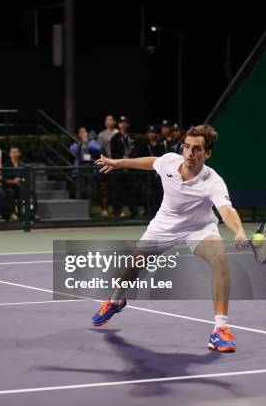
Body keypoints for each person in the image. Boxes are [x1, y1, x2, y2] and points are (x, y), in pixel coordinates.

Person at [93, 124, 245, 352]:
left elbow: (226, 210)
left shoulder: (213, 181)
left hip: (199, 227)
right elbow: (151, 162)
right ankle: (115, 301)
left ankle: (220, 330)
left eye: (197, 149)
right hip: (165, 224)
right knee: (132, 266)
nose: (190, 153)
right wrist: (118, 163)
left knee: (219, 258)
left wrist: (239, 230)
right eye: (186, 147)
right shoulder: (169, 162)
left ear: (207, 153)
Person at [109, 116, 138, 218]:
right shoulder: (114, 138)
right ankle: (117, 213)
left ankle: (134, 213)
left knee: (132, 191)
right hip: (119, 169)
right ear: (118, 124)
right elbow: (114, 154)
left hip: (131, 169)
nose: (123, 124)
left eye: (125, 122)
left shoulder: (133, 137)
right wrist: (122, 162)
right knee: (117, 191)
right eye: (121, 122)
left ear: (128, 124)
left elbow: (136, 152)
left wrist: (130, 162)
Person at [136, 125, 165, 216]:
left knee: (160, 194)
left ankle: (159, 212)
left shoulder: (162, 145)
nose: (152, 134)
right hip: (146, 174)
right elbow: (139, 159)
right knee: (147, 193)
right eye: (150, 132)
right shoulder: (143, 145)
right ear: (147, 134)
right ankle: (147, 212)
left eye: (154, 132)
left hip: (159, 174)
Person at [2, 145, 28, 221]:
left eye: (16, 152)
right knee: (11, 192)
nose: (14, 154)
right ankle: (11, 214)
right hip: (9, 186)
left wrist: (21, 181)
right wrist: (14, 181)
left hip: (20, 186)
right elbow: (4, 179)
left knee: (25, 190)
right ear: (9, 154)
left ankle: (25, 214)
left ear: (19, 153)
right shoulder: (6, 165)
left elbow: (26, 177)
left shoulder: (23, 165)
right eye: (12, 152)